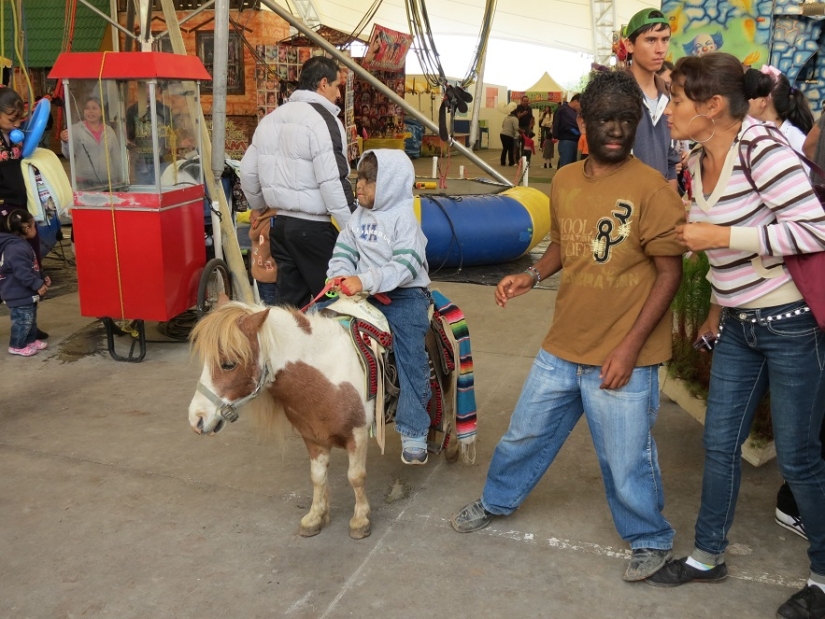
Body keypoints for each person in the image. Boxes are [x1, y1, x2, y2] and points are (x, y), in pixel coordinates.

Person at [450, 70, 686, 583]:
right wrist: (531, 275)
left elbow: (671, 274)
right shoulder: (564, 180)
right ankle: (497, 500)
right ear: (583, 122)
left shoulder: (652, 189)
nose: (617, 130)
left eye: (626, 119)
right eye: (605, 119)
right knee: (522, 436)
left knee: (626, 459)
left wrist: (629, 349)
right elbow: (563, 244)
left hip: (624, 355)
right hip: (563, 345)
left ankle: (650, 538)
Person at [647, 53, 825, 619]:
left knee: (798, 458)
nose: (668, 110)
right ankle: (707, 556)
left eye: (677, 99)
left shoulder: (764, 150)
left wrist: (720, 235)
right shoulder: (698, 156)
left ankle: (823, 577)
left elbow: (814, 229)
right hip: (739, 326)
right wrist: (716, 307)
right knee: (719, 445)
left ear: (713, 106)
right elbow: (723, 247)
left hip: (790, 324)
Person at [326, 149, 432, 465]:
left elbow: (406, 266)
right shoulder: (357, 217)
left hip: (404, 296)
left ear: (390, 184)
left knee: (411, 352)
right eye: (358, 178)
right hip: (363, 293)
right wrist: (338, 274)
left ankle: (414, 429)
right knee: (315, 322)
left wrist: (364, 280)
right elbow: (344, 250)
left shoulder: (404, 218)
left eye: (368, 180)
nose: (359, 185)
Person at [240, 56, 355, 308]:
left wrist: (259, 207)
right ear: (323, 83)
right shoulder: (323, 120)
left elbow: (247, 172)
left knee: (290, 310)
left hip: (280, 227)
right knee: (336, 301)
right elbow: (333, 180)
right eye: (337, 86)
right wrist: (353, 228)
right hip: (312, 230)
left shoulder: (271, 119)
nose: (338, 94)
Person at [623, 8, 680, 190]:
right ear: (629, 45)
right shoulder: (615, 93)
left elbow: (670, 161)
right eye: (651, 40)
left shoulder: (668, 96)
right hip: (624, 200)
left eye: (665, 40)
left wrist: (670, 202)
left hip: (660, 198)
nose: (660, 49)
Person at [0, 209, 50, 356]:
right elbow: (22, 272)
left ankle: (30, 340)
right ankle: (16, 345)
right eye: (34, 226)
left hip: (25, 292)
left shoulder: (22, 244)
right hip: (17, 293)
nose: (36, 229)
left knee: (30, 319)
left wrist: (42, 277)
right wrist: (37, 284)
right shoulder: (16, 248)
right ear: (27, 229)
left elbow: (31, 266)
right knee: (23, 320)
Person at [747, 65, 814, 156]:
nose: (745, 100)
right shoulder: (754, 127)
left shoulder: (795, 138)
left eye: (750, 95)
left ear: (763, 102)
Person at [60, 96, 124, 189]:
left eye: (94, 108)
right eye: (87, 108)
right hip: (84, 183)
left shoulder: (109, 130)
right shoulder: (75, 129)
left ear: (101, 112)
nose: (90, 111)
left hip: (108, 182)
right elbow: (68, 155)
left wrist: (120, 178)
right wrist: (65, 142)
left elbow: (116, 156)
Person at [125, 85, 172, 185]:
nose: (148, 91)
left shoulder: (165, 110)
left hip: (161, 161)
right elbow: (130, 136)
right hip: (141, 163)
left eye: (151, 87)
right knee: (144, 190)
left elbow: (171, 135)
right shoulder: (132, 111)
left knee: (163, 187)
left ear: (158, 89)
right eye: (145, 87)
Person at [248, 207, 278, 305]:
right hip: (273, 275)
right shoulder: (272, 223)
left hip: (260, 273)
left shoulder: (258, 221)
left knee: (266, 307)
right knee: (275, 309)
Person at [551, 94, 581, 168]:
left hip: (574, 141)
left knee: (571, 166)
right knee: (565, 166)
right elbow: (567, 126)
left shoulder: (573, 111)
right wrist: (579, 134)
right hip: (567, 141)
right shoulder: (564, 110)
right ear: (576, 101)